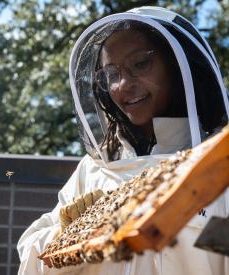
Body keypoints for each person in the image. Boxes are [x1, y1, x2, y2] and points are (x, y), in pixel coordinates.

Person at [17, 6, 229, 275]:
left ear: (177, 66)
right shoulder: (93, 169)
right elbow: (30, 257)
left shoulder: (218, 164)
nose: (122, 85)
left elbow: (218, 256)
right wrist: (67, 232)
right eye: (111, 74)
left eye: (140, 64)